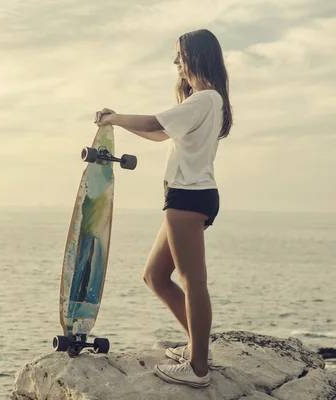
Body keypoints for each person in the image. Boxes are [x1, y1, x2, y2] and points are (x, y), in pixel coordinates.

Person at [94, 28, 233, 388]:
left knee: (193, 281)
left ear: (196, 58)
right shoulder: (206, 101)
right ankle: (198, 347)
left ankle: (199, 368)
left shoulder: (204, 99)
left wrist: (116, 117)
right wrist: (121, 123)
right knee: (155, 276)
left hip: (187, 198)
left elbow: (157, 123)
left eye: (180, 56)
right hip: (188, 196)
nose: (176, 63)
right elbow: (160, 133)